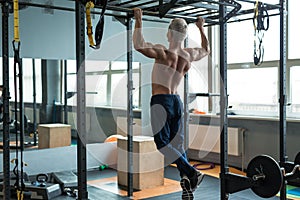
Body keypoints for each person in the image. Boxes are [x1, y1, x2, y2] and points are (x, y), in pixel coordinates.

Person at [133, 8, 210, 200]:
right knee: (177, 145)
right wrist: (201, 28)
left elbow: (138, 44)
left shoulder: (162, 52)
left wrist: (139, 19)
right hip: (177, 102)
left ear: (169, 33)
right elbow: (206, 50)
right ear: (184, 35)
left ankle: (191, 173)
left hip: (161, 101)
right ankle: (187, 184)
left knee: (162, 143)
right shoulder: (188, 55)